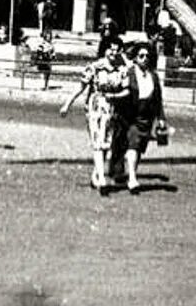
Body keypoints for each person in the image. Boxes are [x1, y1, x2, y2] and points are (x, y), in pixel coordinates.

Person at [60, 35, 129, 193]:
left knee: (106, 144)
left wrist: (115, 97)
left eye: (117, 50)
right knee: (98, 142)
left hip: (112, 109)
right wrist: (67, 105)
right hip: (96, 109)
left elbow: (126, 90)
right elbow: (81, 87)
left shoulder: (122, 68)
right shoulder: (95, 67)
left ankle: (95, 175)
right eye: (110, 49)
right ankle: (102, 180)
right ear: (105, 50)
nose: (113, 52)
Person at [115, 42, 167, 195]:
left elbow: (158, 100)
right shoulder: (128, 73)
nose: (145, 59)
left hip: (146, 118)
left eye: (147, 56)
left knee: (139, 148)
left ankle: (129, 174)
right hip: (130, 116)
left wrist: (161, 118)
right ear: (135, 58)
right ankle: (132, 178)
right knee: (134, 144)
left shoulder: (153, 76)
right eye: (141, 56)